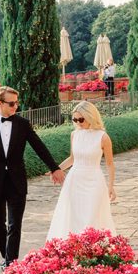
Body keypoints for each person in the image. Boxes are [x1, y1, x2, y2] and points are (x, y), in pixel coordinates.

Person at [0, 85, 64, 269]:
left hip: (17, 181)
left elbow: (39, 146)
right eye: (12, 103)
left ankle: (10, 264)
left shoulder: (23, 124)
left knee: (15, 224)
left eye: (17, 103)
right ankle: (7, 258)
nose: (16, 107)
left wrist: (54, 168)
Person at [46, 101, 116, 241]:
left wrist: (111, 186)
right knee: (73, 216)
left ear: (90, 116)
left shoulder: (103, 137)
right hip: (75, 180)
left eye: (81, 119)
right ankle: (73, 249)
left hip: (94, 181)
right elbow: (72, 159)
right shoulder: (74, 135)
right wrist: (56, 169)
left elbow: (110, 164)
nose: (78, 122)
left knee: (91, 216)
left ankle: (92, 251)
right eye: (75, 119)